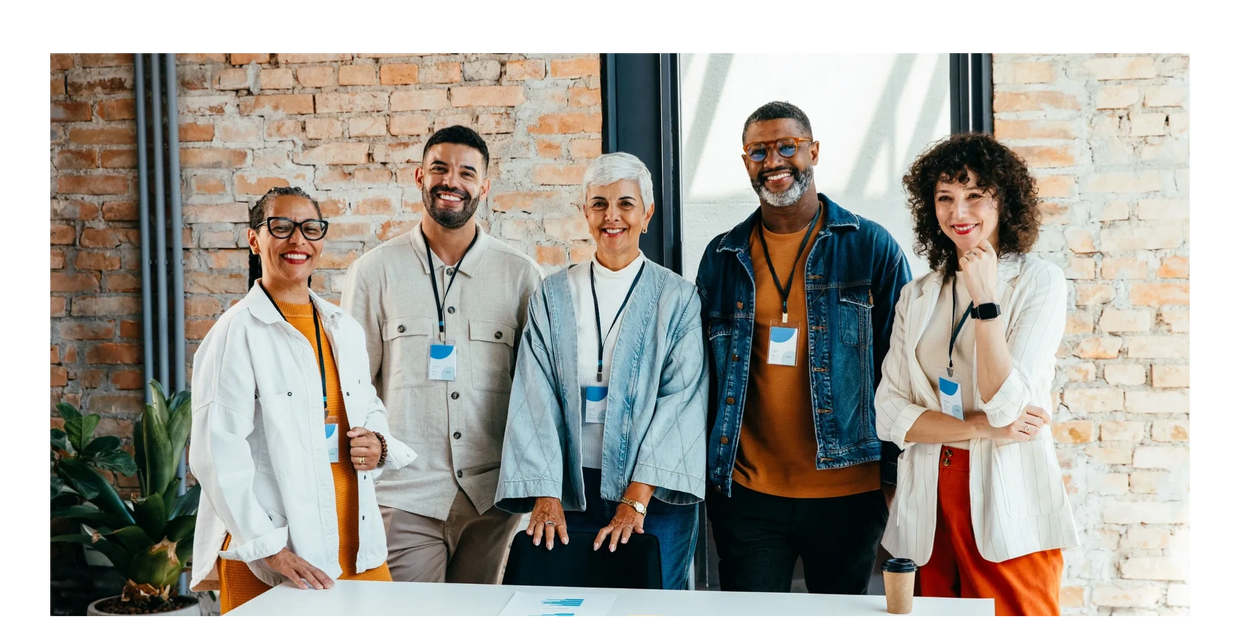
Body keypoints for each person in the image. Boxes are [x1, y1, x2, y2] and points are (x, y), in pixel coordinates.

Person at [696, 101, 911, 594]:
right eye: (758, 151)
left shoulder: (871, 248)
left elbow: (901, 369)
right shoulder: (723, 256)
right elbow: (702, 377)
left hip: (849, 494)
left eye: (787, 147)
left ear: (813, 151)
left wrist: (895, 480)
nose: (773, 161)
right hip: (747, 494)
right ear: (745, 160)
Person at [875, 133, 1078, 618]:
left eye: (974, 196)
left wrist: (986, 300)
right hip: (930, 501)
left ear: (1002, 201)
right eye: (945, 197)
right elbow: (889, 413)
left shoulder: (1037, 281)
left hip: (1006, 499)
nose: (957, 211)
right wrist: (979, 428)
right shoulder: (917, 293)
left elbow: (1009, 404)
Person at [189, 187, 415, 613]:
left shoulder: (342, 327)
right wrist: (270, 550)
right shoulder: (235, 332)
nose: (298, 240)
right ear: (254, 239)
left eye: (310, 228)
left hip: (356, 540)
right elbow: (214, 454)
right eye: (281, 227)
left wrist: (378, 443)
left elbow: (368, 406)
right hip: (277, 552)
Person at [341, 126, 544, 584]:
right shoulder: (374, 273)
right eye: (439, 168)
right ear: (419, 176)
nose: (451, 181)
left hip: (492, 501)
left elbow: (539, 395)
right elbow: (350, 388)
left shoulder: (521, 277)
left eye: (466, 173)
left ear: (484, 187)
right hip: (405, 495)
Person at [495, 152, 707, 590]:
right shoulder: (552, 295)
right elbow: (534, 394)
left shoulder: (678, 298)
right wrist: (546, 492)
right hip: (570, 489)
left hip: (652, 495)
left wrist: (636, 500)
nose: (613, 216)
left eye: (626, 204)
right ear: (584, 213)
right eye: (599, 204)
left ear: (647, 214)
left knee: (649, 612)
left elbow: (681, 402)